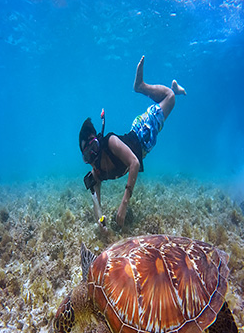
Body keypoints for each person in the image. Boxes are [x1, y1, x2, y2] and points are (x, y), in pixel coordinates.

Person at [79, 55, 186, 229]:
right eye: (87, 155)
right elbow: (97, 207)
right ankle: (175, 89)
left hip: (142, 134)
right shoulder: (96, 173)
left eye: (93, 148)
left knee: (170, 98)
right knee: (167, 100)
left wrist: (124, 203)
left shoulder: (111, 142)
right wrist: (102, 225)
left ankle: (141, 86)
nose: (93, 156)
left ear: (98, 141)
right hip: (139, 137)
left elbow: (134, 163)